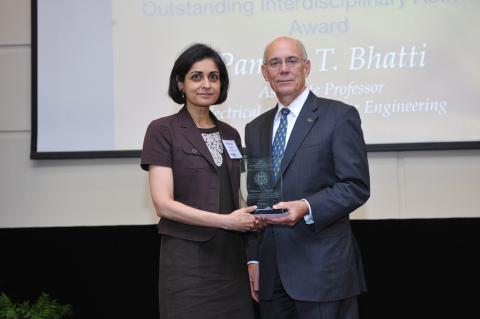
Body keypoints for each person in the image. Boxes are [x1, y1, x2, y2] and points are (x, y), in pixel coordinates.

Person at [245, 36, 370, 319]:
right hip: (271, 274)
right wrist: (253, 257)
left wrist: (306, 207)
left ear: (307, 67)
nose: (284, 69)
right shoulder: (255, 128)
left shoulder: (339, 116)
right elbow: (258, 197)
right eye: (274, 63)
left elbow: (356, 186)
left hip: (322, 272)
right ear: (265, 73)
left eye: (292, 61)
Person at [141, 43, 257, 319]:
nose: (206, 84)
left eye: (213, 77)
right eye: (196, 76)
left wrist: (258, 214)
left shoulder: (231, 134)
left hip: (231, 262)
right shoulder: (162, 130)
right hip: (187, 262)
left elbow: (238, 197)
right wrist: (226, 221)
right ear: (180, 83)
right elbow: (163, 205)